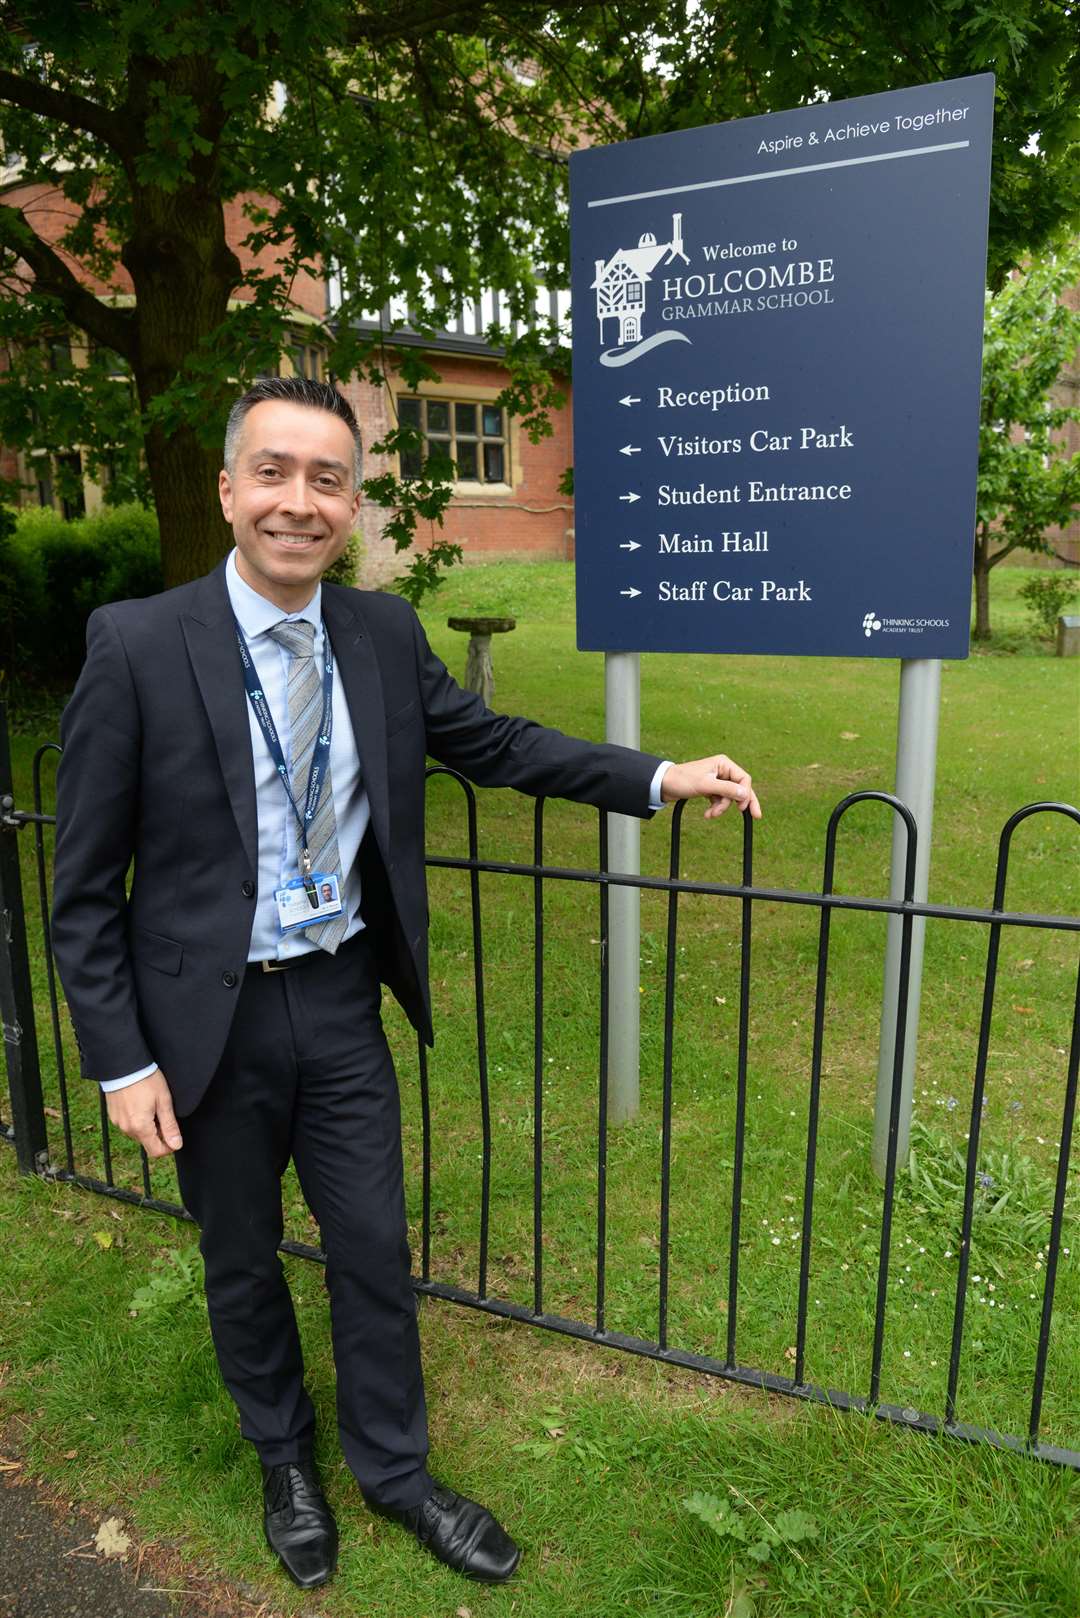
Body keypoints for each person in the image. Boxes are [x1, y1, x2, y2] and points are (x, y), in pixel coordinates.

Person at [50, 376, 761, 1591]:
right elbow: (79, 891)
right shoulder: (136, 643)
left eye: (327, 479)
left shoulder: (381, 636)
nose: (298, 502)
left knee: (374, 1245)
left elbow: (500, 747)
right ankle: (284, 1462)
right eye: (272, 472)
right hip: (202, 1018)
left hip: (336, 998)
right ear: (228, 490)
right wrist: (122, 1058)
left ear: (353, 503)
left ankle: (395, 1471)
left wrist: (657, 775)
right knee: (241, 1253)